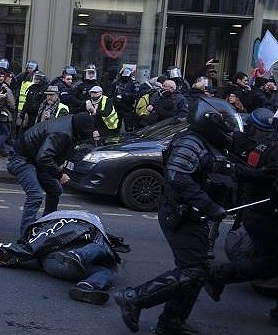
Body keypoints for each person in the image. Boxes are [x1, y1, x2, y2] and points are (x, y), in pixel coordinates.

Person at [113, 97, 239, 335]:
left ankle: (172, 320)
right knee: (193, 271)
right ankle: (134, 298)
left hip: (195, 215)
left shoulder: (208, 143)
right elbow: (177, 177)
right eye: (225, 123)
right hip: (181, 214)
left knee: (196, 271)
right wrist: (209, 205)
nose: (228, 128)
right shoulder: (190, 143)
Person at [203, 108, 278, 328]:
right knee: (269, 263)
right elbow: (267, 178)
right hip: (268, 212)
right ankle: (220, 275)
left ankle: (221, 275)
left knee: (271, 263)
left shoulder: (264, 145)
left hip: (257, 211)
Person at [7, 112, 99, 239]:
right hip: (21, 159)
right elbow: (44, 158)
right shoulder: (62, 133)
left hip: (34, 158)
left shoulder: (70, 124)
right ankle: (26, 237)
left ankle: (46, 224)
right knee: (35, 195)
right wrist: (59, 174)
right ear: (81, 128)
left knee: (55, 189)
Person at [112, 67, 138, 132]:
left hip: (128, 107)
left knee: (129, 127)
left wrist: (128, 95)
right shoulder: (117, 82)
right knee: (116, 126)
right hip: (117, 107)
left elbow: (136, 95)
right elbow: (111, 93)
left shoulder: (133, 83)